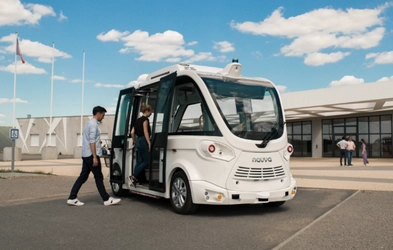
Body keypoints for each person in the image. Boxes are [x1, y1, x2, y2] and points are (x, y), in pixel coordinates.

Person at [67, 106, 121, 206]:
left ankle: (72, 197)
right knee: (98, 177)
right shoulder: (93, 125)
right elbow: (91, 141)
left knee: (83, 177)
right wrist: (95, 157)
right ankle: (106, 199)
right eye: (103, 115)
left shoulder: (89, 123)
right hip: (91, 155)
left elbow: (91, 140)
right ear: (98, 114)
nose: (103, 117)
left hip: (86, 154)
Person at [129, 103, 153, 187]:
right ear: (147, 111)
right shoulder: (145, 120)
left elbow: (132, 132)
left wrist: (135, 141)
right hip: (143, 140)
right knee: (147, 161)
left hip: (138, 140)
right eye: (150, 112)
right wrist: (149, 142)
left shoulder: (137, 120)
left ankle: (135, 179)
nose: (151, 114)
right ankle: (134, 176)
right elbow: (146, 132)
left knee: (139, 161)